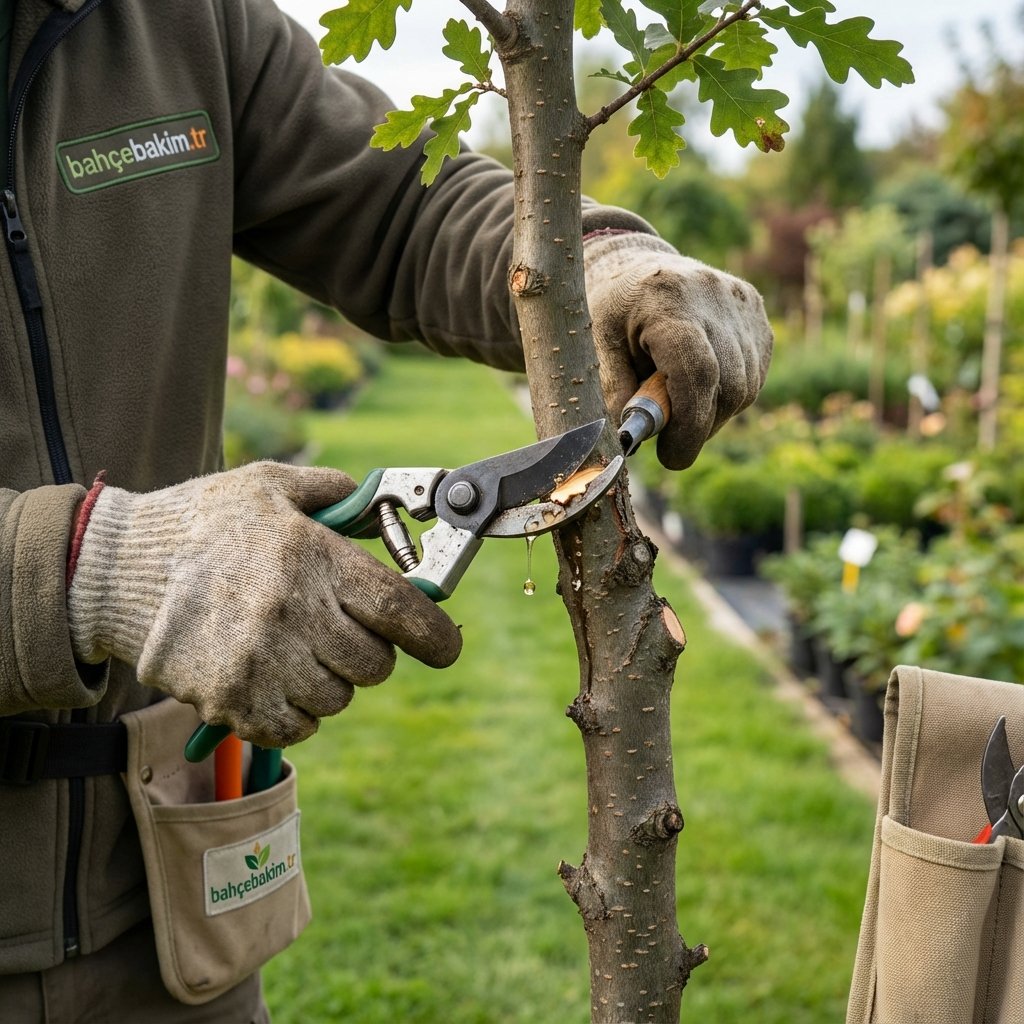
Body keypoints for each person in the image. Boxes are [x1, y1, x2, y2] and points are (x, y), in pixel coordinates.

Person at [0, 0, 773, 1019]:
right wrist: (89, 571)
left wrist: (601, 263)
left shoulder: (171, 19)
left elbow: (395, 205)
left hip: (167, 902)